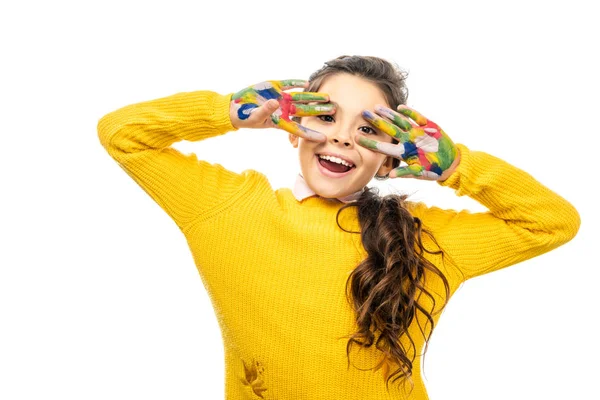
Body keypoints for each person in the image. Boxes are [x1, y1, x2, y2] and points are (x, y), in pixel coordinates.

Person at [97, 55, 580, 399]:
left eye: (368, 130)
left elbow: (552, 222)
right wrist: (229, 110)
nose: (342, 136)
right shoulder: (230, 208)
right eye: (325, 116)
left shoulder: (423, 236)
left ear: (393, 160)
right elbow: (122, 135)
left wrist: (456, 168)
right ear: (290, 129)